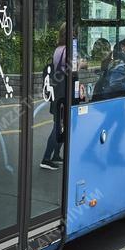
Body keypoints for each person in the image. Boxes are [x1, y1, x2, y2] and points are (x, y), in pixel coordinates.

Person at [41, 24, 68, 170]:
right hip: (62, 91)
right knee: (58, 126)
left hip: (57, 91)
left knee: (62, 124)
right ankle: (46, 158)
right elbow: (72, 67)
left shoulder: (58, 49)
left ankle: (56, 154)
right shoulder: (66, 49)